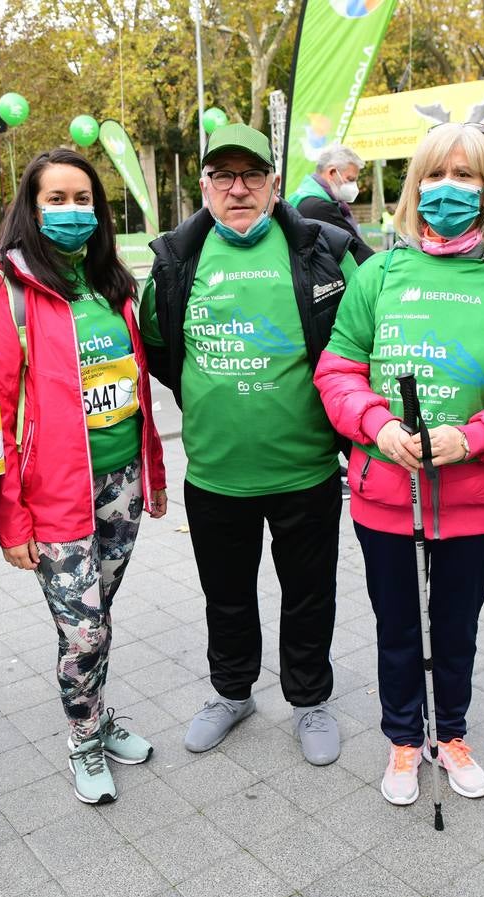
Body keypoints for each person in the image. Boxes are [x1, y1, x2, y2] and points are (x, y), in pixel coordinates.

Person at [314, 122, 484, 806]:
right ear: (415, 188)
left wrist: (472, 439)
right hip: (385, 495)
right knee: (397, 628)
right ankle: (401, 738)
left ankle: (450, 733)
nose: (449, 190)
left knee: (454, 628)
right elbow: (338, 373)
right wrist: (379, 425)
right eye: (436, 176)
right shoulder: (379, 274)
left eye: (466, 176)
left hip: (475, 500)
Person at [138, 123, 359, 764]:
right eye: (223, 176)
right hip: (214, 474)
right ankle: (232, 693)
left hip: (307, 472)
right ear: (203, 184)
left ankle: (310, 699)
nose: (238, 188)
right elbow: (158, 348)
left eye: (252, 175)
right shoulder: (177, 260)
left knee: (310, 592)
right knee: (226, 595)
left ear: (273, 183)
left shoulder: (326, 250)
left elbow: (359, 340)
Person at [0, 149, 168, 804]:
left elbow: (134, 388)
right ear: (29, 209)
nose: (70, 211)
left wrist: (153, 471)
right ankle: (84, 739)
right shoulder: (7, 292)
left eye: (82, 199)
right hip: (54, 500)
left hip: (121, 485)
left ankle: (99, 717)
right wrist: (9, 520)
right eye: (54, 199)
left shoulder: (112, 286)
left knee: (98, 618)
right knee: (82, 630)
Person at [288, 144, 374, 263]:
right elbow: (357, 251)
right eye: (350, 179)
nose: (355, 186)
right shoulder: (318, 207)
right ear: (332, 172)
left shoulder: (303, 198)